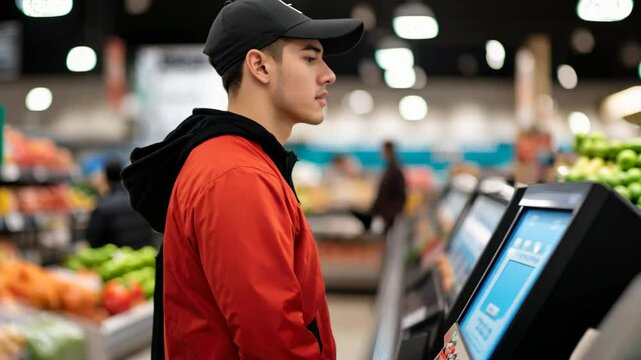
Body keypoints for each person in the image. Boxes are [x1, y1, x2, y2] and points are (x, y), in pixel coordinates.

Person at [121, 1, 363, 359]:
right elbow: (274, 344)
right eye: (310, 58)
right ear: (260, 66)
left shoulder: (238, 163)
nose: (328, 74)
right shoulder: (237, 177)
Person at [86, 160, 155, 249]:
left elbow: (93, 241)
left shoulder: (103, 207)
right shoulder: (138, 201)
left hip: (115, 259)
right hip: (143, 257)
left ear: (106, 179)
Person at [353, 140, 407, 234]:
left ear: (387, 150)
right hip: (388, 212)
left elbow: (397, 193)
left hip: (390, 212)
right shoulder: (392, 167)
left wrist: (378, 208)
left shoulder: (393, 169)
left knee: (388, 236)